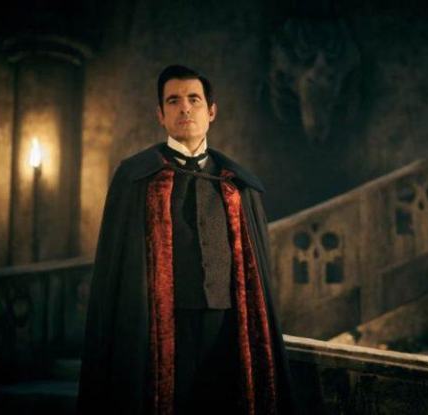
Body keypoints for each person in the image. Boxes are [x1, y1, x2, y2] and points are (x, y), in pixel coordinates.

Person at [77, 64, 296, 414]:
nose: (185, 108)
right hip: (160, 327)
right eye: (174, 101)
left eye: (194, 99)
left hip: (227, 325)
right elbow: (114, 270)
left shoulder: (238, 183)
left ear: (211, 111)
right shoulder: (136, 178)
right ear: (160, 115)